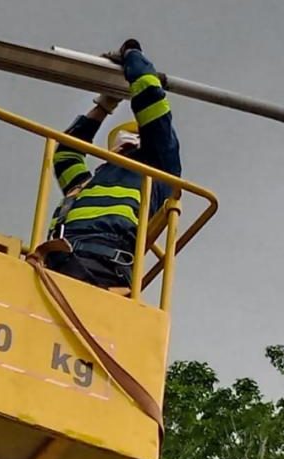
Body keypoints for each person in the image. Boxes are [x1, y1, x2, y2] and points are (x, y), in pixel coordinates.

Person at [39, 39, 181, 289]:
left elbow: (151, 100)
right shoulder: (85, 184)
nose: (125, 145)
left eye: (134, 139)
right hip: (57, 261)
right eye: (120, 142)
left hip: (104, 265)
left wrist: (132, 54)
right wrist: (105, 104)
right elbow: (65, 153)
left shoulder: (156, 170)